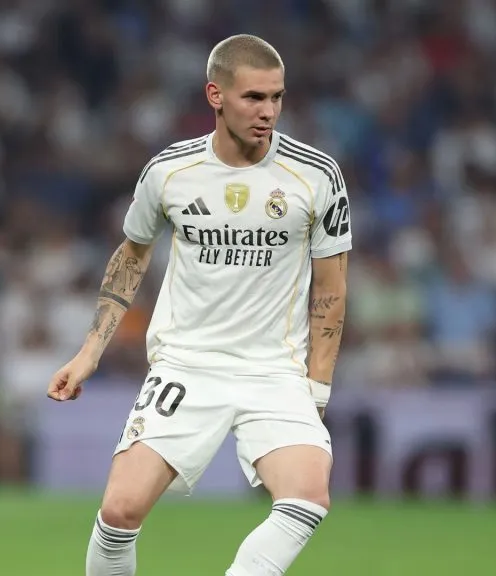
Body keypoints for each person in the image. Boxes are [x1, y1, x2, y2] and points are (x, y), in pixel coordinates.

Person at [46, 34, 352, 576]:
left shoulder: (317, 176)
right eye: (253, 98)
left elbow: (330, 288)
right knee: (119, 511)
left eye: (277, 98)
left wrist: (317, 387)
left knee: (308, 496)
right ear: (215, 95)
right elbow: (132, 256)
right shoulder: (170, 172)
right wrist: (89, 352)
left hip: (272, 370)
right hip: (187, 363)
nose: (268, 112)